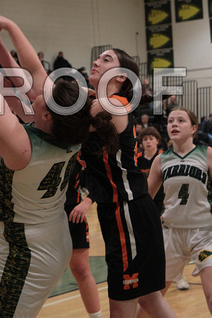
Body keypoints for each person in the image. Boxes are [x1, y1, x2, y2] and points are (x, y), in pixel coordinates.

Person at [0, 5, 115, 318]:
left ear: (46, 113)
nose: (39, 88)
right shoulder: (67, 130)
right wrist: (5, 33)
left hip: (26, 249)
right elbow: (35, 72)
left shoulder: (21, 147)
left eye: (44, 94)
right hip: (48, 237)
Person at [69, 48, 176, 318]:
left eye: (106, 59)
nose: (96, 61)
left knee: (122, 308)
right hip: (126, 212)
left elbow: (64, 122)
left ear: (121, 78)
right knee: (150, 301)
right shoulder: (103, 103)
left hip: (126, 211)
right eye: (98, 57)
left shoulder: (111, 104)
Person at [147, 107, 212, 315]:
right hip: (170, 233)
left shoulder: (207, 154)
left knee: (211, 294)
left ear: (194, 128)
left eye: (180, 121)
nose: (174, 124)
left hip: (203, 234)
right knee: (151, 298)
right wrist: (150, 220)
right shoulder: (160, 160)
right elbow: (146, 199)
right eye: (171, 121)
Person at [65, 162, 102, 318]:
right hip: (42, 216)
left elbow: (102, 179)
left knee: (81, 269)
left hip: (72, 212)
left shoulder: (78, 149)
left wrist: (87, 201)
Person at [137, 126, 164, 214]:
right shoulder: (137, 159)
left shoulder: (164, 157)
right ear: (141, 142)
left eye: (151, 139)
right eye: (145, 139)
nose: (148, 141)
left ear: (157, 141)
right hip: (143, 198)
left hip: (162, 199)